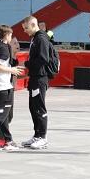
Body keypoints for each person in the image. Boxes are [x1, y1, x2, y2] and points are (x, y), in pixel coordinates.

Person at [19, 15, 59, 150]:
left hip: (40, 77)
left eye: (26, 28)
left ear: (33, 25)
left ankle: (43, 137)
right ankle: (37, 135)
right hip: (35, 77)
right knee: (33, 106)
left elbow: (43, 58)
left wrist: (27, 64)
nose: (25, 31)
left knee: (39, 107)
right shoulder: (36, 38)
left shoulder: (41, 38)